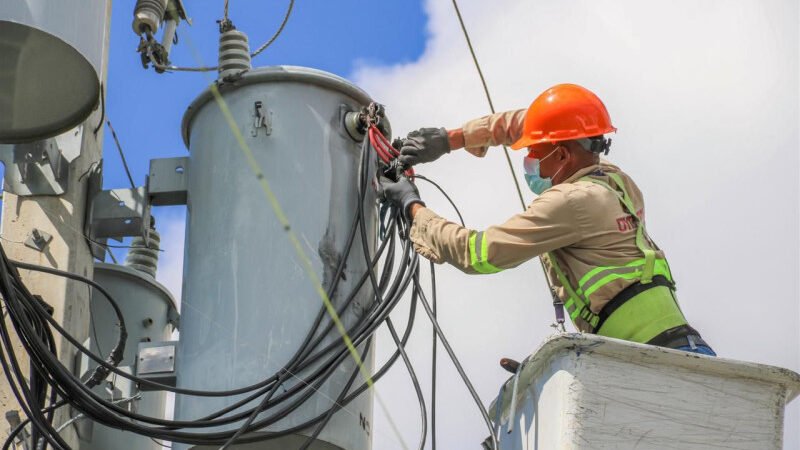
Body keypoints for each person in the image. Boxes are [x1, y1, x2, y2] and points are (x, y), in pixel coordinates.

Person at [379, 83, 715, 356]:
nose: (528, 158)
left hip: (650, 361)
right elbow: (533, 123)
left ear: (563, 155)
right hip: (679, 350)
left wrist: (412, 207)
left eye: (534, 152)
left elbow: (479, 253)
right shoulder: (616, 182)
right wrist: (453, 138)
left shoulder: (571, 201)